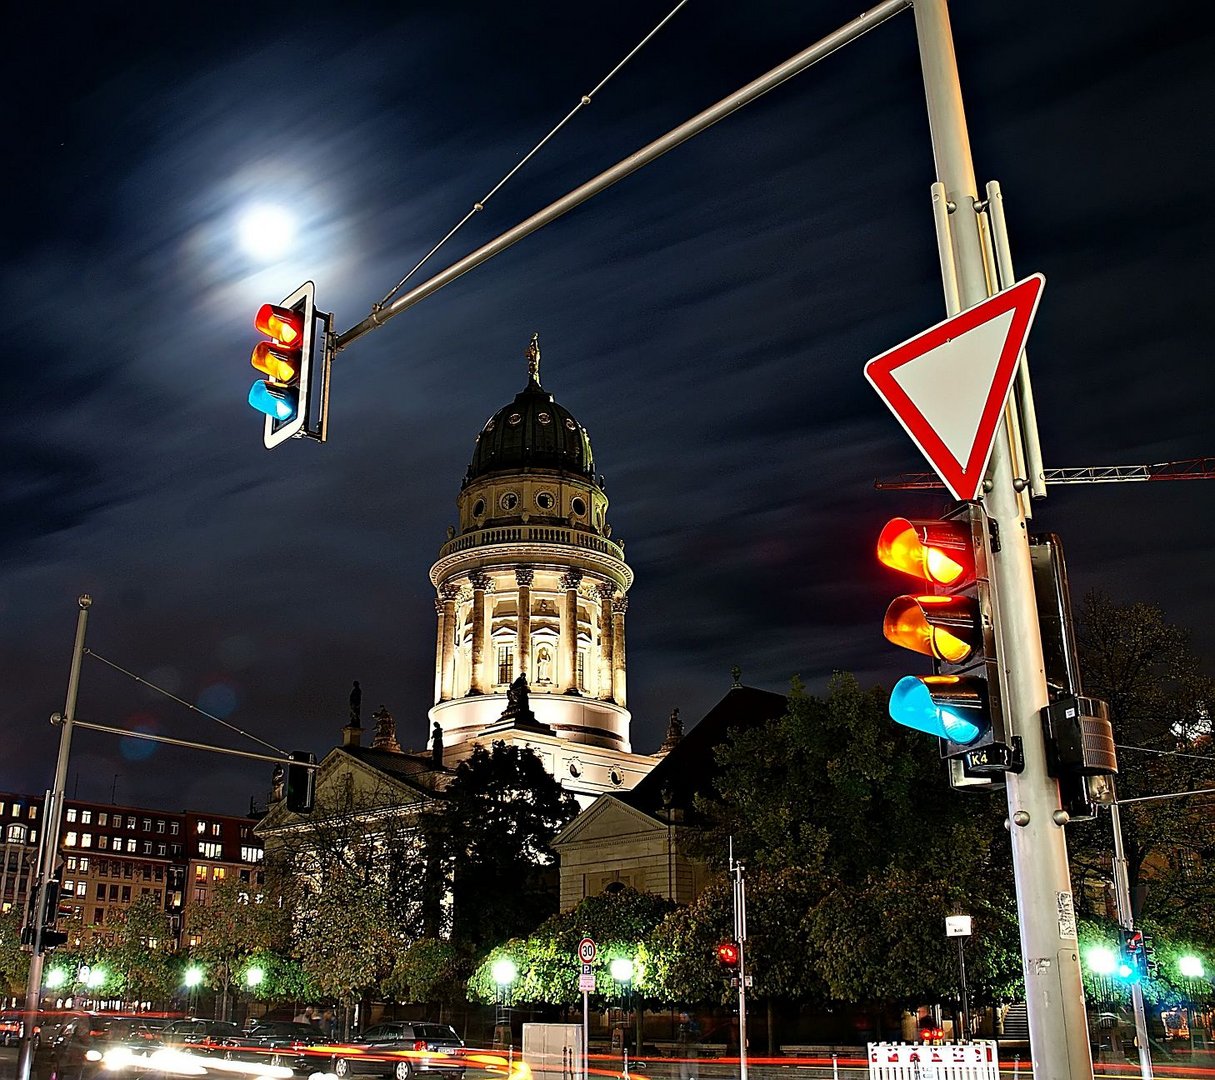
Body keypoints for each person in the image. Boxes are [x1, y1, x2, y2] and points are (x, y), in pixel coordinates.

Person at [677, 1011, 700, 1080]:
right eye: (681, 1018)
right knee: (683, 1065)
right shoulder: (680, 1025)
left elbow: (697, 1035)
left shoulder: (694, 1025)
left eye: (684, 1017)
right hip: (683, 1048)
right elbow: (678, 1036)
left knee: (692, 1065)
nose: (682, 1019)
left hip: (691, 1046)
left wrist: (690, 1032)